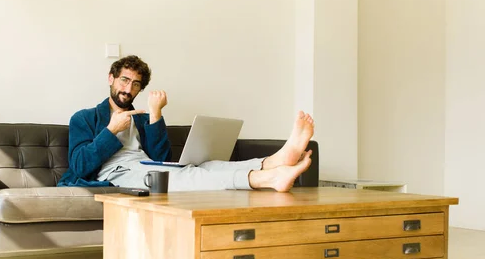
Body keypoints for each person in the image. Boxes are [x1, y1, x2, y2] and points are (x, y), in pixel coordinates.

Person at [57, 55, 314, 192]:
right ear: (111, 79)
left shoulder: (143, 118)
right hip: (117, 174)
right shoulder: (84, 118)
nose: (128, 88)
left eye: (136, 84)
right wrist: (111, 131)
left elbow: (162, 158)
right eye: (124, 80)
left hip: (146, 168)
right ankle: (267, 179)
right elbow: (80, 166)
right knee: (186, 176)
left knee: (206, 166)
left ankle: (274, 161)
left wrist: (156, 116)